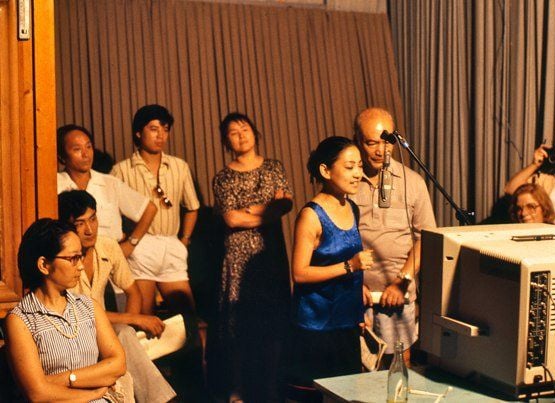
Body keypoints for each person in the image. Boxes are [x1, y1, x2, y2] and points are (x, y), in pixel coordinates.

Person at [58, 189, 177, 403]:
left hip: (108, 332)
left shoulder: (107, 246)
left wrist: (128, 327)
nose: (89, 229)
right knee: (122, 333)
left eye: (93, 219)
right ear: (67, 227)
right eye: (80, 223)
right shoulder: (64, 259)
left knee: (123, 334)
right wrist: (133, 319)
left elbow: (132, 291)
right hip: (75, 335)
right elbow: (84, 313)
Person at [211, 112, 293, 402]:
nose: (241, 135)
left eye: (245, 129)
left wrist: (250, 211)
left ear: (255, 132)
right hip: (237, 257)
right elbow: (231, 220)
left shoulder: (273, 167)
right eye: (233, 132)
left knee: (272, 323)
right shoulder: (222, 177)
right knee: (238, 325)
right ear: (226, 141)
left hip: (270, 255)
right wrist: (264, 210)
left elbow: (283, 205)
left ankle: (270, 388)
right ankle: (239, 390)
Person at [349, 107, 436, 368]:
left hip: (398, 293)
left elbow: (426, 238)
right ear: (357, 141)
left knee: (398, 364)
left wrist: (402, 281)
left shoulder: (413, 182)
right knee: (359, 369)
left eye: (387, 141)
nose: (380, 150)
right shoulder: (346, 181)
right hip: (357, 294)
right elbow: (334, 237)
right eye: (371, 142)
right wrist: (353, 283)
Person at [288, 136, 374, 401]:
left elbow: (346, 264)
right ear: (326, 170)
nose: (358, 173)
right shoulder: (311, 215)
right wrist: (351, 266)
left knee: (347, 395)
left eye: (359, 166)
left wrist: (360, 291)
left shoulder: (352, 208)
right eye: (349, 167)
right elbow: (299, 273)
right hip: (316, 326)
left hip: (346, 323)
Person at [4, 219, 127, 402]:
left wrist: (63, 379)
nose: (80, 265)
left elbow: (118, 364)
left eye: (81, 256)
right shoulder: (21, 320)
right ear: (44, 265)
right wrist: (92, 393)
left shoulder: (88, 306)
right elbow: (37, 394)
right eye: (73, 258)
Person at [111, 104, 200, 315]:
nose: (160, 135)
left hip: (172, 243)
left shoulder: (179, 166)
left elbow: (192, 207)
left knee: (188, 316)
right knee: (144, 315)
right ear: (138, 132)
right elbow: (110, 212)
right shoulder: (121, 170)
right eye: (153, 129)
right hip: (141, 245)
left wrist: (184, 240)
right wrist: (129, 242)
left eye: (165, 129)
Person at [57, 124, 157, 258]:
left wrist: (131, 244)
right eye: (77, 149)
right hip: (73, 259)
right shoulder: (55, 185)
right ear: (62, 157)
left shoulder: (110, 183)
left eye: (89, 146)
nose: (86, 154)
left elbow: (149, 209)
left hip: (110, 258)